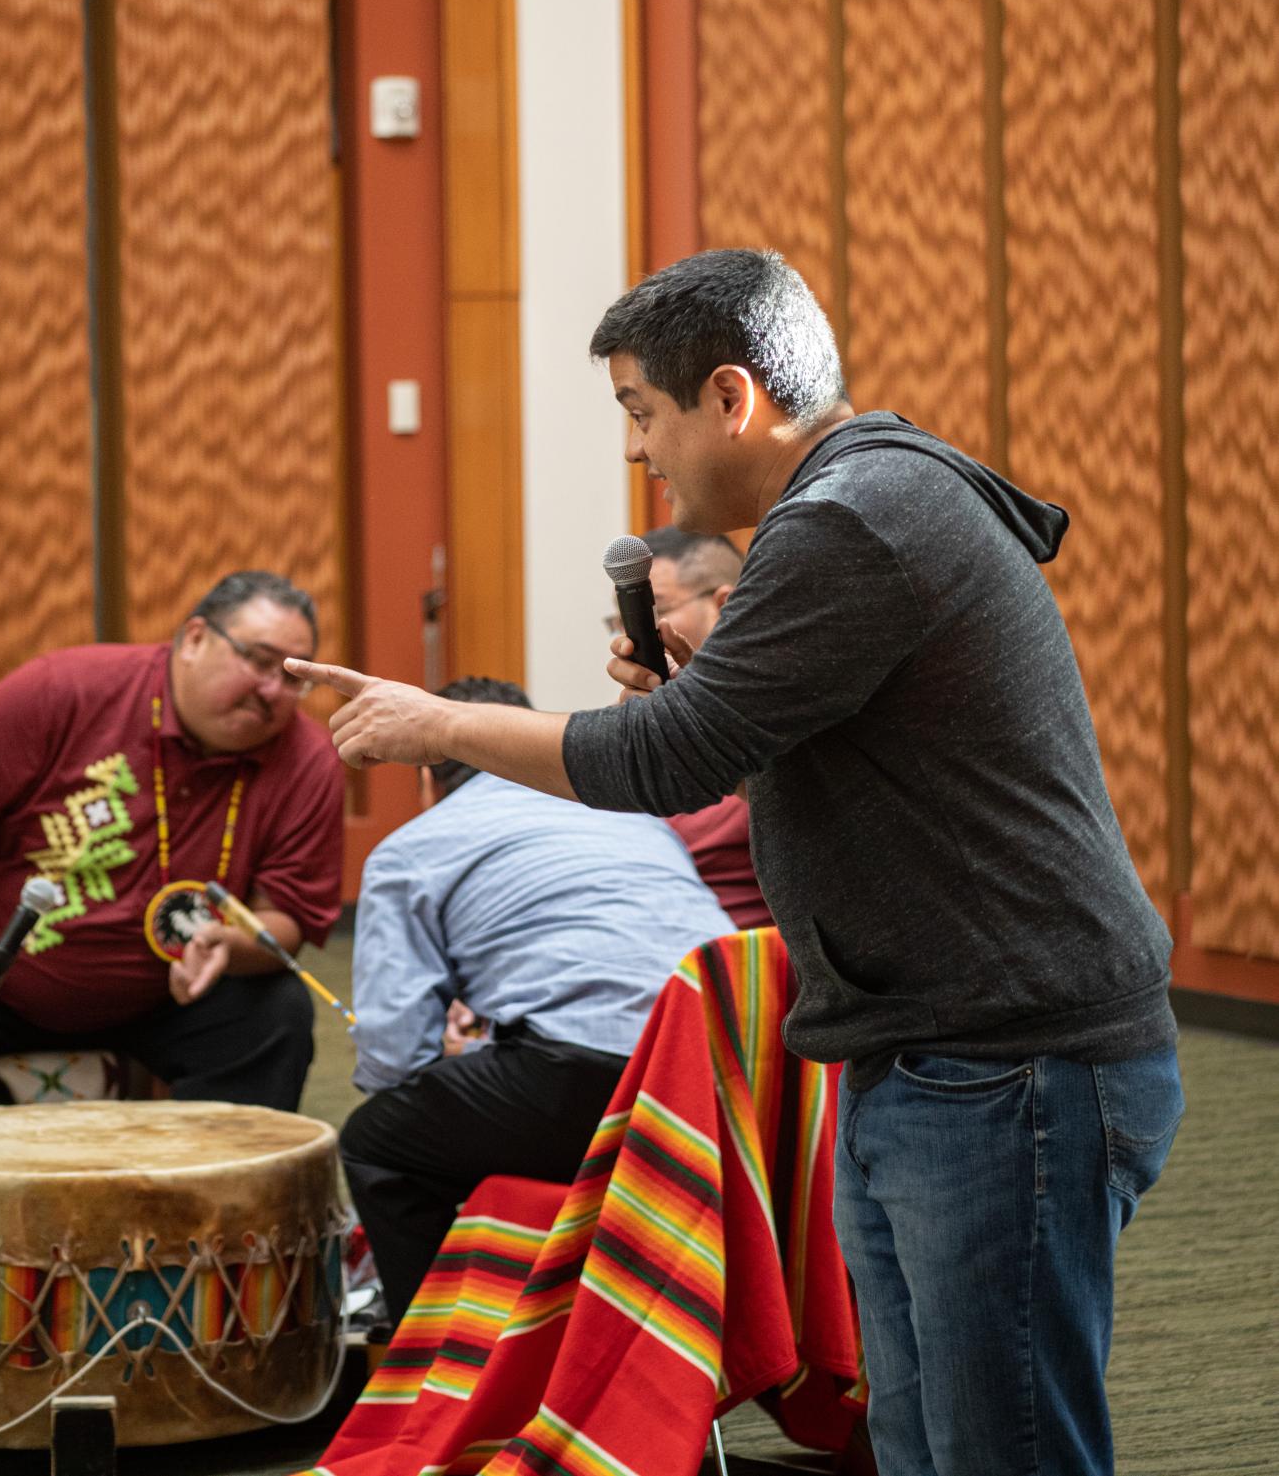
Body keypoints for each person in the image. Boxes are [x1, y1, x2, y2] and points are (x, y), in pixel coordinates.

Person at [288, 248, 1184, 1476]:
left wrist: (434, 723)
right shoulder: (865, 496)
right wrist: (702, 701)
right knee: (918, 1441)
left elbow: (663, 762)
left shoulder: (851, 521)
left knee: (999, 1447)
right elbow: (737, 754)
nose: (635, 451)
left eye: (639, 412)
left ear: (727, 396)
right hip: (927, 1050)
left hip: (1006, 1057)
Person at [339, 675, 732, 1330]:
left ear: (427, 781)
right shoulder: (636, 815)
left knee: (378, 1143)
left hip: (588, 1085)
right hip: (732, 1073)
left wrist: (453, 1059)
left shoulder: (409, 850)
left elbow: (391, 1056)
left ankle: (444, 1361)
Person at [0, 570, 343, 1113]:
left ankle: (209, 1194)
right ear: (196, 638)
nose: (272, 689)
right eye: (257, 659)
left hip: (167, 995)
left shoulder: (308, 762)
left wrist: (232, 947)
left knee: (275, 1010)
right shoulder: (65, 689)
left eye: (293, 677)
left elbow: (285, 920)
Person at [608, 526, 771, 928]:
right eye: (619, 619)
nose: (629, 633)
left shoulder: (771, 722)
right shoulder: (655, 721)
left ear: (723, 605)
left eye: (656, 610)